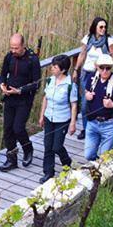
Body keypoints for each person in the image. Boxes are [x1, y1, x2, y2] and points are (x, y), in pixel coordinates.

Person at [0, 33, 41, 172]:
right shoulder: (9, 57)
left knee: (18, 128)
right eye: (11, 47)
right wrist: (2, 85)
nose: (13, 50)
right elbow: (3, 74)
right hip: (10, 97)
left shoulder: (32, 59)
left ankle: (28, 148)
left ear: (23, 46)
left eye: (16, 48)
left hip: (24, 98)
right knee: (8, 130)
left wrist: (20, 90)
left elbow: (36, 84)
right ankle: (11, 159)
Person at [83, 53, 113, 161]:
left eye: (108, 68)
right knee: (88, 155)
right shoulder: (92, 78)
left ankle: (101, 173)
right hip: (92, 122)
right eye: (102, 68)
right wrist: (87, 95)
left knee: (104, 157)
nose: (105, 71)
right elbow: (86, 90)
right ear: (96, 67)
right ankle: (95, 170)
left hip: (109, 124)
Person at [37, 54, 77, 183]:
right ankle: (48, 172)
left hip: (62, 118)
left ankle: (67, 162)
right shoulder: (50, 80)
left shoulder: (70, 85)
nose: (52, 69)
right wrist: (41, 115)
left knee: (57, 146)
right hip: (49, 117)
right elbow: (45, 98)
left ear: (63, 69)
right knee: (48, 145)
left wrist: (72, 123)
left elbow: (74, 105)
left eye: (54, 67)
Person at [74, 17, 113, 140]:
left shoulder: (108, 40)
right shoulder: (88, 38)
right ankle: (86, 128)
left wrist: (104, 68)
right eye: (100, 27)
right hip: (87, 74)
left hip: (100, 75)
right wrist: (76, 69)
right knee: (85, 103)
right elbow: (82, 54)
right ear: (95, 27)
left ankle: (97, 128)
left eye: (105, 27)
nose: (103, 29)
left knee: (97, 102)